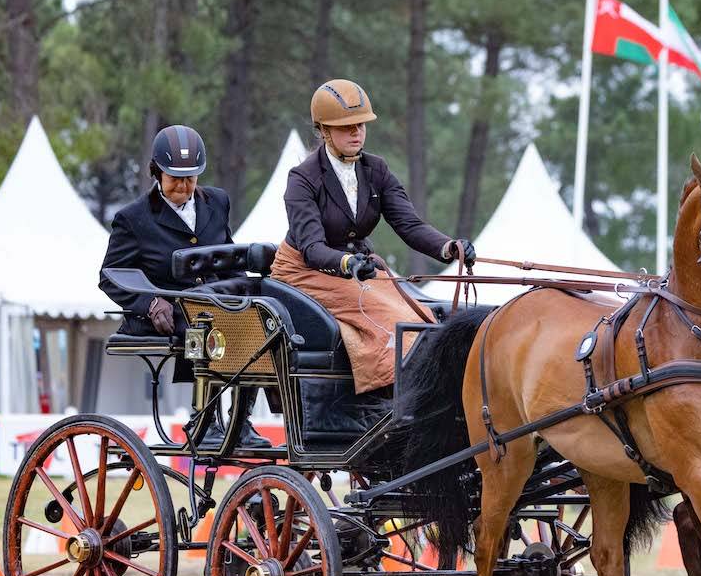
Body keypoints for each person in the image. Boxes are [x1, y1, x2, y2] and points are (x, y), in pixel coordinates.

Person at [273, 79, 475, 393]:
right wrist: (347, 263)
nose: (356, 132)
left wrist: (449, 247)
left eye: (361, 125)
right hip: (304, 272)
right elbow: (312, 248)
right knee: (392, 320)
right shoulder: (302, 179)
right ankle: (390, 403)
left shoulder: (376, 170)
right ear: (324, 130)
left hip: (357, 268)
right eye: (346, 126)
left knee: (421, 317)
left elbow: (409, 225)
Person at [99, 124, 269, 447]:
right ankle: (202, 420)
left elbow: (227, 257)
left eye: (191, 177)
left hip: (215, 302)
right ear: (156, 172)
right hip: (168, 313)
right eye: (175, 177)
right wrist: (149, 302)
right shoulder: (133, 219)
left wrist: (247, 293)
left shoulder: (217, 203)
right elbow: (110, 274)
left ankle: (239, 421)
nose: (184, 185)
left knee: (260, 323)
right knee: (210, 324)